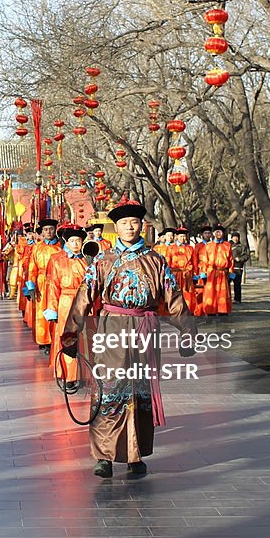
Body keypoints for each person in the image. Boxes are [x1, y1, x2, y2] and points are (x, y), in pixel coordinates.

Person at [61, 200, 195, 478]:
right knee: (108, 389)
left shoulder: (156, 260)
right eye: (123, 223)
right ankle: (104, 456)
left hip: (145, 330)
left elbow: (174, 297)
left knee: (138, 391)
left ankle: (136, 455)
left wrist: (187, 333)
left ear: (142, 225)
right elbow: (84, 297)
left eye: (134, 222)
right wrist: (70, 334)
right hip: (112, 328)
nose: (129, 227)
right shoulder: (103, 260)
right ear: (116, 227)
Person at [43, 224, 90, 392]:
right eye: (72, 241)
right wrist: (52, 309)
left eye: (78, 240)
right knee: (67, 337)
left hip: (85, 302)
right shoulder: (57, 259)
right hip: (65, 303)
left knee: (85, 338)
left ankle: (84, 373)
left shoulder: (88, 259)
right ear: (66, 242)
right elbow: (53, 286)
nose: (75, 244)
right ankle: (67, 375)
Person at [24, 219, 61, 356]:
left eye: (51, 229)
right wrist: (31, 285)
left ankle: (55, 339)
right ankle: (44, 340)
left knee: (55, 309)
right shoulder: (37, 247)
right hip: (41, 282)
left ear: (55, 230)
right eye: (45, 230)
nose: (48, 232)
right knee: (41, 312)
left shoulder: (61, 247)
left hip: (56, 283)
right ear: (42, 232)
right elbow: (32, 268)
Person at [198, 225, 234, 318]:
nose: (218, 233)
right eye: (216, 232)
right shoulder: (208, 246)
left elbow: (231, 260)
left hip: (223, 273)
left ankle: (223, 313)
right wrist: (203, 272)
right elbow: (203, 260)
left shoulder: (227, 245)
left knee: (223, 294)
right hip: (211, 273)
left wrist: (230, 272)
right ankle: (210, 313)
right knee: (211, 293)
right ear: (213, 234)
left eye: (221, 232)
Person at [230, 231, 250, 303]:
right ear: (231, 238)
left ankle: (237, 299)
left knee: (237, 284)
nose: (236, 238)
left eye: (237, 237)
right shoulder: (227, 245)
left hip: (238, 268)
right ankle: (227, 298)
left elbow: (246, 256)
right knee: (226, 283)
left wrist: (240, 259)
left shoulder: (242, 246)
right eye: (234, 237)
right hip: (229, 268)